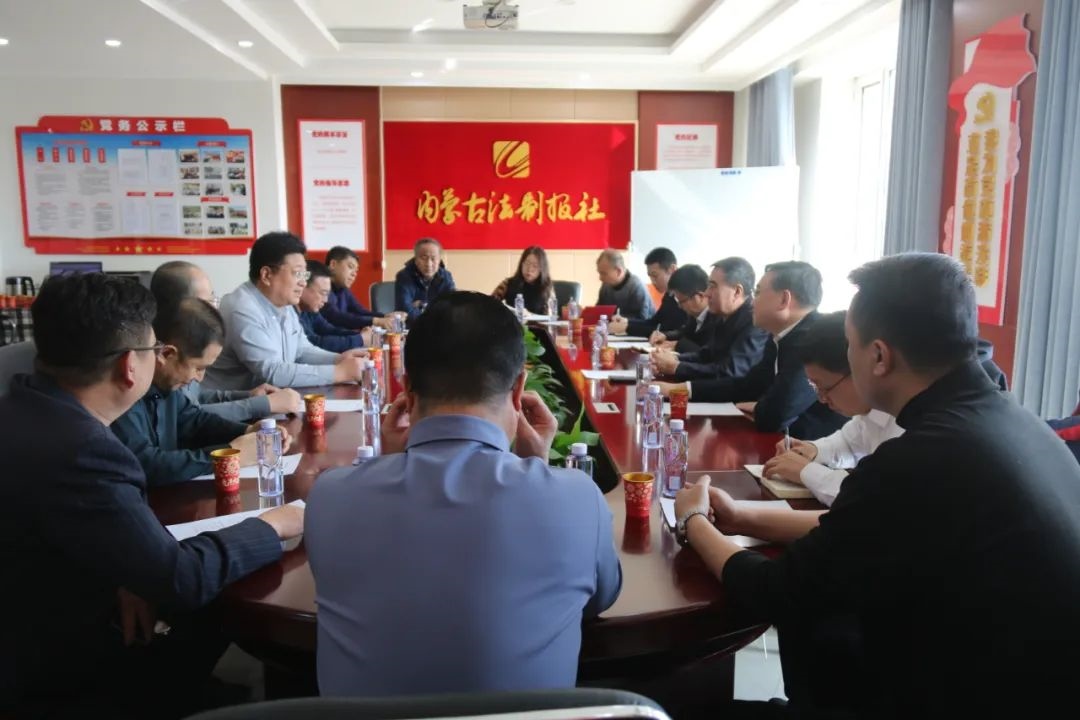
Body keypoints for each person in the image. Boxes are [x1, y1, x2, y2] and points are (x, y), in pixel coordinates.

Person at [674, 253, 1080, 716]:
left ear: (879, 356)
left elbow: (777, 591)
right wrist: (741, 517)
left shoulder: (923, 455)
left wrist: (693, 520)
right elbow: (860, 529)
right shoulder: (1011, 420)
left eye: (849, 344)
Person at [0, 273, 303, 718]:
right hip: (48, 668)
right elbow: (182, 579)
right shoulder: (86, 451)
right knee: (214, 594)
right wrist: (271, 525)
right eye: (153, 348)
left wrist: (129, 570)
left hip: (38, 609)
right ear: (130, 365)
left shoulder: (24, 406)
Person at [306, 291, 622, 697]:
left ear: (407, 392)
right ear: (518, 391)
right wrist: (540, 470)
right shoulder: (577, 500)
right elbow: (598, 599)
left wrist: (390, 464)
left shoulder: (331, 497)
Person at [112, 298, 292, 487]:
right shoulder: (125, 392)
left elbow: (195, 422)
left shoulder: (167, 386)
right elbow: (148, 464)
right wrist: (230, 454)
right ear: (166, 354)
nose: (199, 378)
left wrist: (248, 431)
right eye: (198, 368)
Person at [658, 261, 844, 439]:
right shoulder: (780, 336)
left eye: (758, 292)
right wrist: (680, 390)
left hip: (816, 450)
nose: (753, 301)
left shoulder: (814, 340)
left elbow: (775, 414)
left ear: (784, 299)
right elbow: (748, 386)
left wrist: (760, 406)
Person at [761, 311, 902, 507]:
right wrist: (813, 450)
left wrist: (806, 471)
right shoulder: (870, 410)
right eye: (815, 387)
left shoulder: (908, 421)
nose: (821, 399)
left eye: (824, 387)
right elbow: (848, 443)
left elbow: (873, 499)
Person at [204, 231, 368, 390]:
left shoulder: (285, 304)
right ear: (266, 275)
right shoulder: (241, 308)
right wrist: (340, 372)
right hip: (226, 404)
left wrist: (339, 359)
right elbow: (272, 372)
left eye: (304, 275)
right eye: (297, 274)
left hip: (267, 400)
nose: (303, 283)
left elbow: (301, 350)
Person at [151, 260, 301, 421]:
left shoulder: (187, 343)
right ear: (182, 307)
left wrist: (249, 396)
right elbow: (187, 417)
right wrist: (264, 404)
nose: (214, 309)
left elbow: (196, 396)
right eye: (207, 303)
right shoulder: (162, 358)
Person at [653, 257, 769, 387]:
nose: (707, 293)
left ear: (737, 291)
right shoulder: (723, 315)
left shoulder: (755, 322)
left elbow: (731, 372)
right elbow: (706, 355)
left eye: (713, 286)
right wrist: (673, 359)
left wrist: (677, 367)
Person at [299, 260, 372, 353]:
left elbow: (328, 329)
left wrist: (360, 335)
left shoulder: (309, 310)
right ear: (302, 286)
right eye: (323, 293)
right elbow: (315, 343)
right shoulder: (291, 314)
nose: (325, 300)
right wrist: (360, 339)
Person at [608, 248, 684, 336]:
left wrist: (627, 327)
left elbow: (665, 328)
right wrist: (626, 322)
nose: (653, 281)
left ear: (672, 269)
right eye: (650, 276)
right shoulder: (669, 294)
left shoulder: (684, 294)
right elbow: (654, 322)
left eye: (655, 275)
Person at [319, 246, 393, 330]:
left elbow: (359, 311)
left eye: (356, 271)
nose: (354, 274)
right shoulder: (321, 287)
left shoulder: (343, 289)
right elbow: (335, 317)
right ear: (333, 264)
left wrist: (385, 316)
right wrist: (375, 321)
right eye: (350, 267)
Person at [647, 264, 715, 353]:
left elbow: (709, 354)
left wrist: (677, 345)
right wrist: (665, 335)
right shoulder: (695, 316)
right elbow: (682, 332)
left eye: (682, 301)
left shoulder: (717, 319)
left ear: (700, 296)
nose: (679, 306)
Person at [395, 237, 456, 322]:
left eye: (433, 258)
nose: (429, 264)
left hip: (439, 326)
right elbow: (405, 311)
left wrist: (421, 305)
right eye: (424, 258)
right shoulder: (404, 276)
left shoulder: (446, 276)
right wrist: (436, 311)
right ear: (416, 260)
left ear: (439, 260)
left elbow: (452, 308)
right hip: (413, 327)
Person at [491, 245, 554, 315]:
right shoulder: (508, 283)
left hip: (536, 322)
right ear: (521, 264)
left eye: (535, 266)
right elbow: (490, 304)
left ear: (542, 269)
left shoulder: (547, 287)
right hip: (512, 321)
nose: (529, 269)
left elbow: (550, 316)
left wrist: (530, 315)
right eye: (527, 263)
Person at [595, 249, 654, 321]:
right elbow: (599, 312)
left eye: (604, 273)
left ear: (618, 271)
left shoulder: (637, 287)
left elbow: (642, 319)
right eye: (600, 273)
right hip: (613, 327)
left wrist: (616, 320)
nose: (600, 278)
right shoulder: (606, 286)